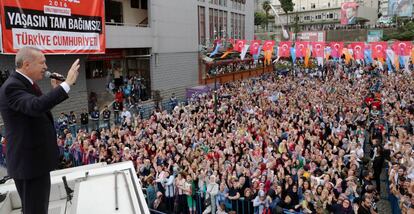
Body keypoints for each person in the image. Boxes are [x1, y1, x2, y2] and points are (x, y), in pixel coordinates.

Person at [0, 47, 79, 214]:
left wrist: (55, 90)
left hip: (34, 163)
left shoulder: (25, 84)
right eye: (42, 63)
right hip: (29, 165)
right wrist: (66, 85)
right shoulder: (12, 87)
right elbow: (35, 106)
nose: (46, 67)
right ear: (27, 64)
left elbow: (35, 110)